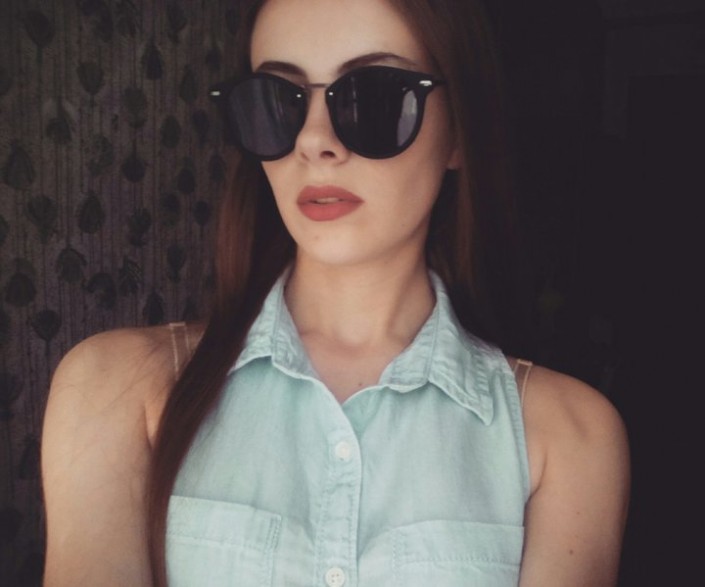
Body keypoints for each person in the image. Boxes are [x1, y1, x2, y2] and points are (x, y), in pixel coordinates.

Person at [41, 0, 630, 585]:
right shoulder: (115, 387)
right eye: (279, 101)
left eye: (373, 97)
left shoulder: (567, 435)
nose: (314, 140)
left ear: (459, 132)